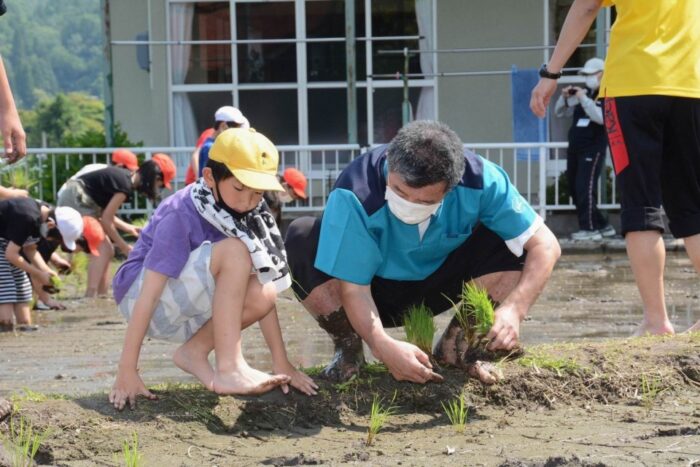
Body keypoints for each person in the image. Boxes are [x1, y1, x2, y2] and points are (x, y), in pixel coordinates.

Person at [285, 121, 561, 384]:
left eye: (425, 201)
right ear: (390, 165)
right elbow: (355, 290)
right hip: (371, 292)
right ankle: (348, 350)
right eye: (399, 192)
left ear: (450, 188)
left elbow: (546, 245)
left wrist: (515, 309)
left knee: (513, 243)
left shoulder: (481, 180)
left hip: (437, 285)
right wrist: (381, 345)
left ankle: (458, 348)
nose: (410, 205)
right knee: (302, 236)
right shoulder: (355, 191)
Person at [110, 128, 317, 410]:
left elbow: (262, 286)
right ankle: (230, 367)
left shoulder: (251, 215)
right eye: (239, 188)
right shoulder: (181, 212)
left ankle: (194, 352)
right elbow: (149, 293)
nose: (247, 201)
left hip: (186, 306)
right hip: (141, 299)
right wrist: (127, 369)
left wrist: (283, 363)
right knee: (235, 250)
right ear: (210, 177)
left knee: (265, 292)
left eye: (257, 192)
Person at [530, 0, 700, 336]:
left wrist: (551, 73)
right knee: (693, 204)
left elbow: (587, 6)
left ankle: (656, 321)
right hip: (690, 85)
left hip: (633, 87)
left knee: (641, 204)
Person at [57, 155, 175, 297]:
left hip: (83, 201)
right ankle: (91, 295)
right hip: (76, 199)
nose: (158, 189)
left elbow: (106, 214)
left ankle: (101, 295)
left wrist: (128, 228)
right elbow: (106, 220)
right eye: (160, 184)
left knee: (106, 250)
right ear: (155, 178)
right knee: (103, 248)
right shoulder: (124, 185)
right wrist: (125, 247)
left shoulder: (125, 179)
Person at [554, 57, 615, 241]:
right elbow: (559, 112)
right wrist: (564, 98)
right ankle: (603, 226)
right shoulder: (585, 93)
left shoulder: (607, 94)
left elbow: (601, 118)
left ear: (602, 74)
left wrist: (584, 99)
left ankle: (589, 229)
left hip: (592, 149)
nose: (588, 79)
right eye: (585, 75)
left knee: (584, 188)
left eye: (591, 74)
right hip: (575, 149)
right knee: (574, 188)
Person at [0, 200, 83, 331]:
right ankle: (5, 329)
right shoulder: (27, 217)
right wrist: (38, 273)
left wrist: (46, 270)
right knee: (6, 289)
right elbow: (11, 255)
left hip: (7, 246)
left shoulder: (40, 219)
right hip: (5, 248)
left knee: (23, 289)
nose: (53, 242)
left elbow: (30, 249)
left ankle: (24, 328)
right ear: (51, 225)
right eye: (56, 239)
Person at [196, 106, 250, 178]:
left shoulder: (214, 145)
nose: (236, 135)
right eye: (235, 130)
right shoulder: (211, 147)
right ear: (223, 126)